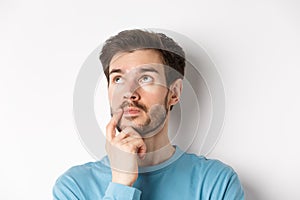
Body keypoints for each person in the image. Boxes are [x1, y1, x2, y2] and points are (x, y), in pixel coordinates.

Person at [53, 29, 244, 200]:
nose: (129, 92)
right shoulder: (73, 187)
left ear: (174, 93)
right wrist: (121, 184)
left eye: (145, 78)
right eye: (118, 79)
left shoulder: (216, 182)